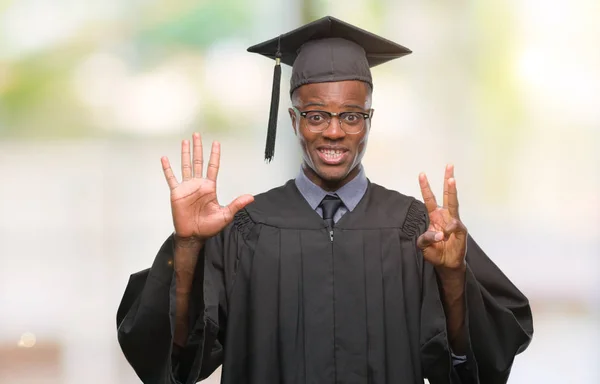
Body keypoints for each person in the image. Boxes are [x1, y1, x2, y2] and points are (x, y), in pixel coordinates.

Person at [116, 16, 533, 384]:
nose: (334, 132)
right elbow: (176, 360)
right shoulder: (245, 229)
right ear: (294, 118)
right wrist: (188, 248)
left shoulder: (417, 229)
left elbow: (476, 366)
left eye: (352, 116)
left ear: (370, 118)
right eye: (316, 115)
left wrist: (454, 279)